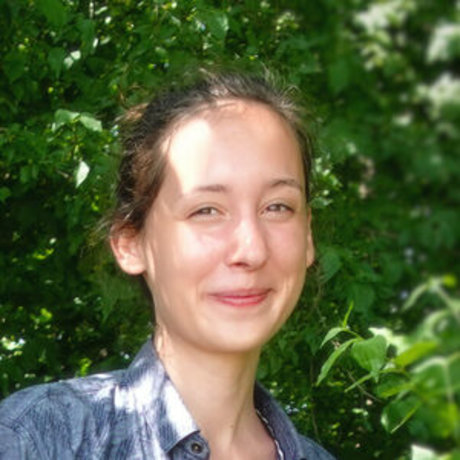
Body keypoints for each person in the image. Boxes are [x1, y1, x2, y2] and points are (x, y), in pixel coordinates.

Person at [0, 72, 336, 459]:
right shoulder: (41, 438)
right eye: (206, 210)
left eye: (277, 207)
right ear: (131, 243)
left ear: (307, 235)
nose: (251, 248)